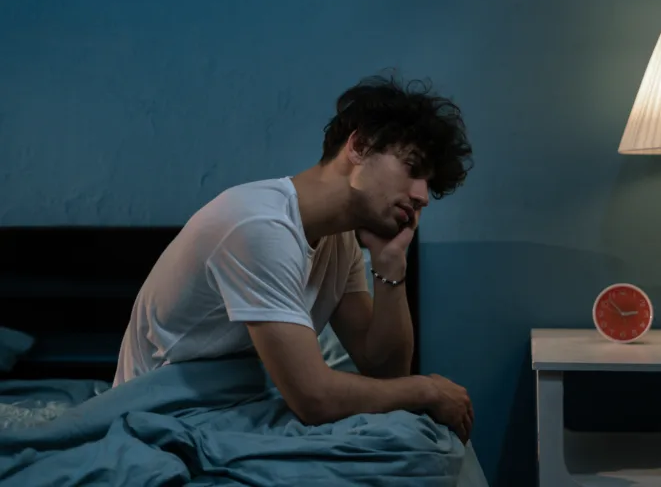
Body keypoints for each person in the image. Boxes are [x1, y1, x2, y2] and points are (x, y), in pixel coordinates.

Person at [113, 73, 476, 442]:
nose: (423, 196)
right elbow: (314, 398)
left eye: (428, 184)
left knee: (417, 449)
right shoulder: (259, 226)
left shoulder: (340, 243)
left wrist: (391, 263)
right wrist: (426, 390)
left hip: (229, 412)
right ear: (360, 146)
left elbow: (385, 371)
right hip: (160, 414)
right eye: (413, 170)